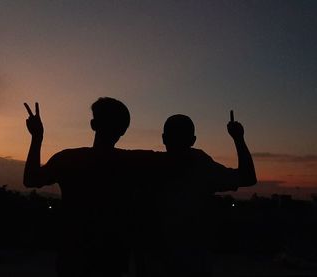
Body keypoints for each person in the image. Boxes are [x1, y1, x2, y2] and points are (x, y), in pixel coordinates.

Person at [23, 98, 159, 277]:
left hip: (73, 257)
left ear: (93, 124)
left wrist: (37, 137)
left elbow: (31, 179)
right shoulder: (134, 162)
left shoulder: (69, 159)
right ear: (123, 130)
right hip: (112, 259)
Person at [136, 113, 256, 277]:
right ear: (193, 140)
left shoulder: (149, 166)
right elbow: (247, 177)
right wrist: (238, 138)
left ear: (164, 138)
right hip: (193, 262)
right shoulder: (202, 166)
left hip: (160, 262)